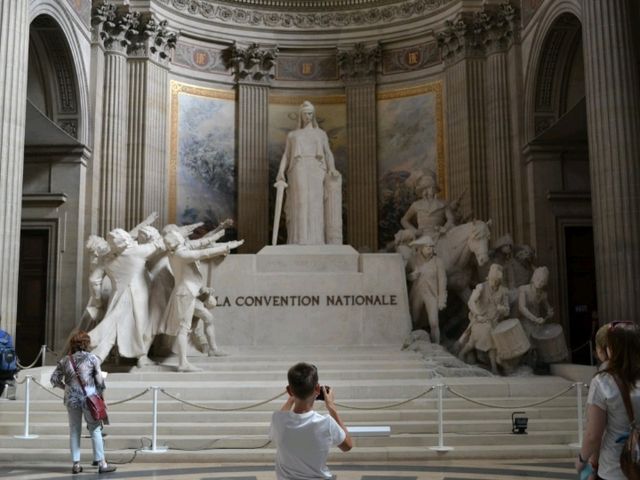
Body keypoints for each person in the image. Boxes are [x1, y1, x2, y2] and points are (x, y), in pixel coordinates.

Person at [161, 229, 243, 372]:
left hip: (190, 292)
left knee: (208, 317)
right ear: (177, 240)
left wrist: (218, 236)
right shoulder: (181, 254)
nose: (183, 237)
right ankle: (183, 363)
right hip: (185, 294)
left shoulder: (179, 250)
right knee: (183, 328)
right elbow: (203, 253)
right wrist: (228, 247)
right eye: (180, 236)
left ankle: (213, 349)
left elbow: (199, 243)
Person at [88, 228, 163, 366]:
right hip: (138, 296)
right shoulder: (137, 252)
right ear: (127, 239)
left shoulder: (106, 259)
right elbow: (159, 243)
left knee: (112, 328)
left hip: (117, 296)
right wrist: (149, 232)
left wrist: (98, 301)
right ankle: (141, 357)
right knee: (139, 326)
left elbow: (94, 280)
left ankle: (93, 359)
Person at [577, 322, 640, 480]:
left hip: (616, 468)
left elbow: (594, 435)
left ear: (612, 349)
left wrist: (582, 460)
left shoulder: (603, 382)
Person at [270, 362, 352, 479]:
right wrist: (332, 408)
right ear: (317, 388)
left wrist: (290, 399)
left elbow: (282, 414)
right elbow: (347, 446)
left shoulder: (278, 420)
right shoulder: (327, 423)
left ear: (289, 391)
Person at [275, 100, 342, 245]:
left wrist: (332, 168)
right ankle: (299, 239)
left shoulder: (321, 134)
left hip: (317, 168)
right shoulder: (293, 135)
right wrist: (280, 172)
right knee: (301, 201)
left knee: (316, 202)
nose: (308, 116)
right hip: (298, 167)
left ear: (314, 115)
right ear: (300, 115)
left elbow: (328, 153)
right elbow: (286, 155)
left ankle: (317, 240)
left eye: (310, 113)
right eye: (305, 113)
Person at [50, 331, 116, 474]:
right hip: (89, 399)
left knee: (74, 430)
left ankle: (76, 464)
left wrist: (67, 388)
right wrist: (103, 400)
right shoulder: (93, 359)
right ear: (86, 343)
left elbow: (54, 379)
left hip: (71, 400)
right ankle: (101, 464)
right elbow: (100, 383)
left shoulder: (65, 360)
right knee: (95, 429)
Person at [458, 264, 510, 374]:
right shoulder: (481, 287)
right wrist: (477, 314)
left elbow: (507, 310)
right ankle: (463, 353)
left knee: (493, 334)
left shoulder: (504, 291)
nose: (494, 283)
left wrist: (502, 309)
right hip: (479, 321)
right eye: (493, 280)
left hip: (494, 322)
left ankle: (495, 366)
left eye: (497, 281)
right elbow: (471, 302)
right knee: (484, 334)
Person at [407, 236, 447, 343]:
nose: (431, 250)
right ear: (421, 248)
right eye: (428, 247)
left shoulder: (438, 262)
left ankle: (436, 345)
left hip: (431, 294)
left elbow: (442, 281)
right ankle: (413, 343)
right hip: (417, 294)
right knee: (414, 320)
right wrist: (411, 276)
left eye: (432, 247)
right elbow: (404, 276)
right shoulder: (413, 260)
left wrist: (442, 299)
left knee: (434, 322)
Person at [400, 171, 455, 242]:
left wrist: (444, 228)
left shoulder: (443, 203)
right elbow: (404, 220)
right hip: (422, 236)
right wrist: (414, 231)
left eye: (432, 187)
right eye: (428, 188)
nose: (431, 190)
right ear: (423, 190)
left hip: (439, 236)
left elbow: (451, 219)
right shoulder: (416, 204)